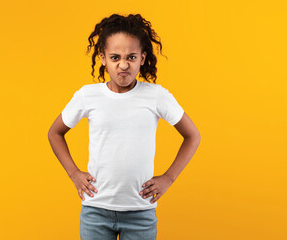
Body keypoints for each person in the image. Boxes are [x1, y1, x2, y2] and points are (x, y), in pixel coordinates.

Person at [48, 13, 201, 240]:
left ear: (142, 57)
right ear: (103, 58)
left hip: (140, 212)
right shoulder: (88, 95)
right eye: (115, 57)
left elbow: (192, 135)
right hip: (95, 210)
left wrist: (168, 178)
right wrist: (74, 174)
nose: (123, 64)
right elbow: (55, 132)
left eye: (131, 57)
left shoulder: (156, 96)